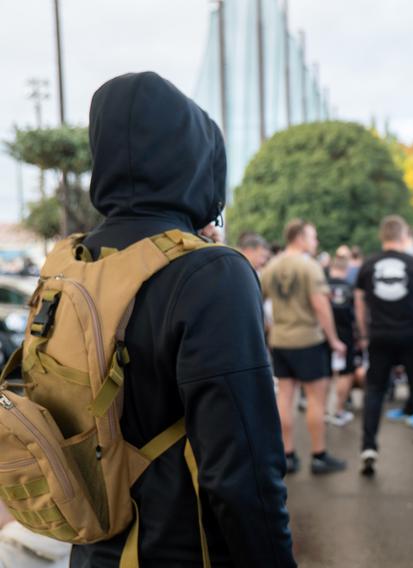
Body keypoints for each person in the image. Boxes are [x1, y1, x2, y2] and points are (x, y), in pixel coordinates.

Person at [71, 72, 294, 566]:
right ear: (194, 162)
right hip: (179, 548)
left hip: (91, 546)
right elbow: (243, 472)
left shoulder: (75, 263)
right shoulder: (210, 273)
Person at [355, 215, 413, 475]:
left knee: (374, 391)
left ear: (382, 236)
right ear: (403, 236)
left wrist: (364, 334)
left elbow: (360, 305)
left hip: (379, 335)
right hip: (411, 334)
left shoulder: (368, 265)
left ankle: (368, 447)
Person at [261, 219, 347, 475]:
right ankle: (318, 455)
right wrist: (333, 339)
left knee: (284, 396)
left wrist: (269, 328)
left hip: (280, 339)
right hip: (308, 339)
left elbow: (257, 301)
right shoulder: (310, 267)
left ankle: (287, 454)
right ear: (299, 237)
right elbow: (321, 306)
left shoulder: (271, 266)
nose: (315, 241)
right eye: (312, 236)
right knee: (315, 399)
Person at [326, 254, 359, 426]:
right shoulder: (351, 287)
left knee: (325, 373)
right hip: (346, 334)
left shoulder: (323, 285)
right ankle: (338, 410)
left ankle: (324, 410)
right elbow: (357, 314)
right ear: (346, 269)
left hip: (325, 333)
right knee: (346, 373)